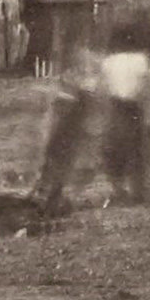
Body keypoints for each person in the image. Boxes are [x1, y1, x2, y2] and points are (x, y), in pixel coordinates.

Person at [97, 39, 150, 200]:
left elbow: (100, 86)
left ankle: (119, 188)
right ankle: (137, 190)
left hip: (116, 106)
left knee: (114, 147)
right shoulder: (142, 60)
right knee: (134, 149)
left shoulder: (109, 61)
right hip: (132, 107)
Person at [31, 53, 100, 209]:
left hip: (66, 132)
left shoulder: (78, 92)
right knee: (55, 162)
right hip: (61, 131)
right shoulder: (71, 93)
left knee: (58, 163)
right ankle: (45, 194)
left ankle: (49, 194)